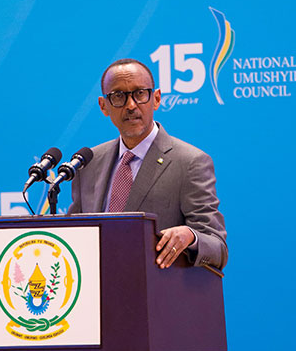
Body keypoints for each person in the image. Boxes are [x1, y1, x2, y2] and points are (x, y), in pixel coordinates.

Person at [68, 58, 227, 270]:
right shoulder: (87, 163)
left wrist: (190, 236)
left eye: (140, 93)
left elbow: (217, 248)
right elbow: (73, 236)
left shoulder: (190, 162)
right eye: (118, 96)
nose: (131, 105)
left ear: (157, 98)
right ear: (103, 106)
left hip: (157, 294)